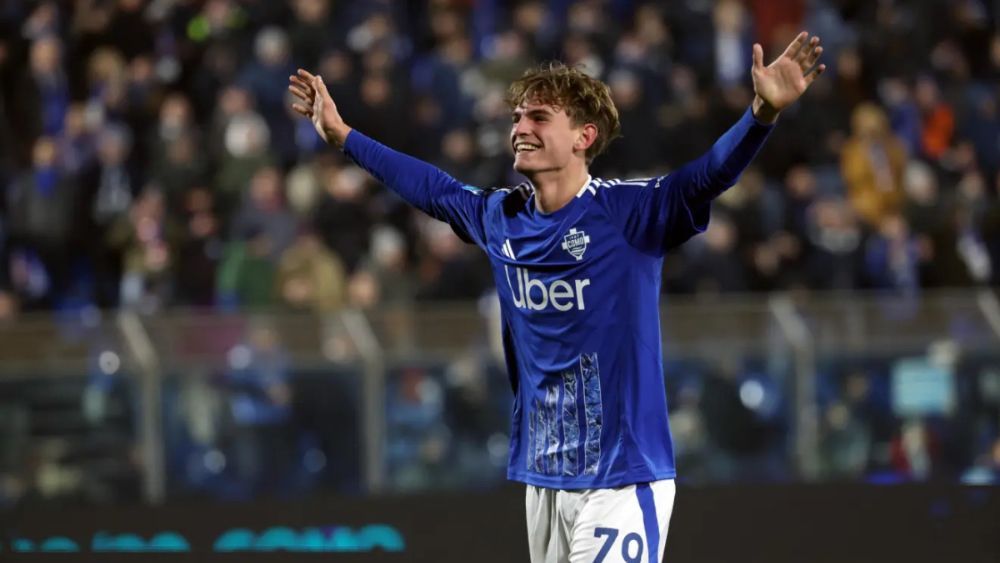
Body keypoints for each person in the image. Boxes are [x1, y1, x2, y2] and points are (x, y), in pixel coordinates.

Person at [290, 31, 825, 563]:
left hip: (622, 476)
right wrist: (344, 136)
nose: (520, 128)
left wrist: (759, 115)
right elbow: (431, 187)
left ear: (583, 137)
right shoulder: (500, 217)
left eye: (539, 118)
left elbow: (705, 177)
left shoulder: (627, 215)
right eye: (518, 118)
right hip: (544, 478)